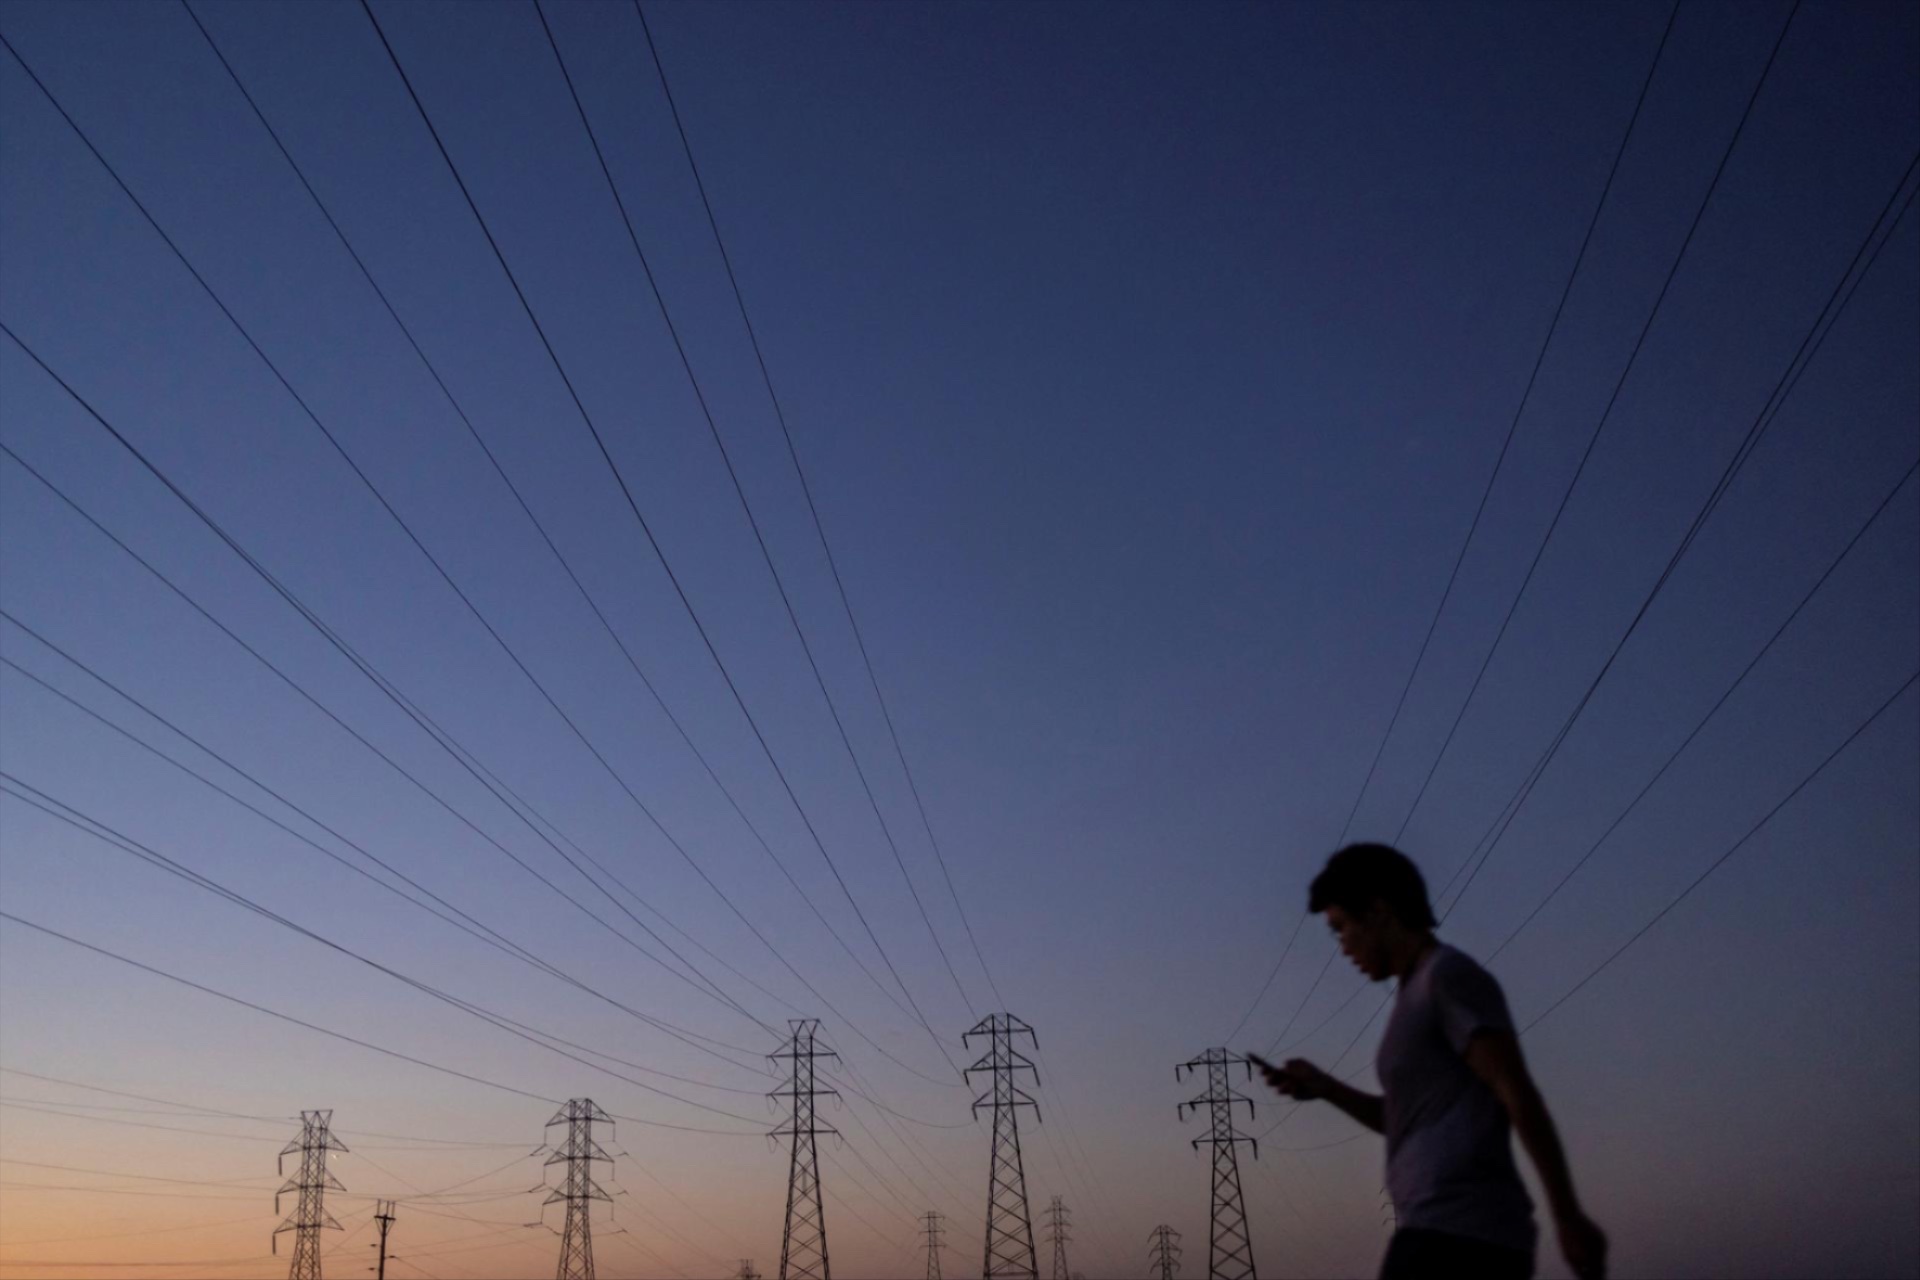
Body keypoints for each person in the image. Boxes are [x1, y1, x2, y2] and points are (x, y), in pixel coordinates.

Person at [1253, 842, 1606, 1280]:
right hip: (1434, 1229)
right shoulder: (1413, 995)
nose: (1342, 947)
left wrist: (1567, 1215)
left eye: (1342, 927)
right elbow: (1406, 1120)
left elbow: (1515, 1089)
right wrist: (1327, 1089)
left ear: (1378, 911)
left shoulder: (1448, 977)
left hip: (1465, 1235)